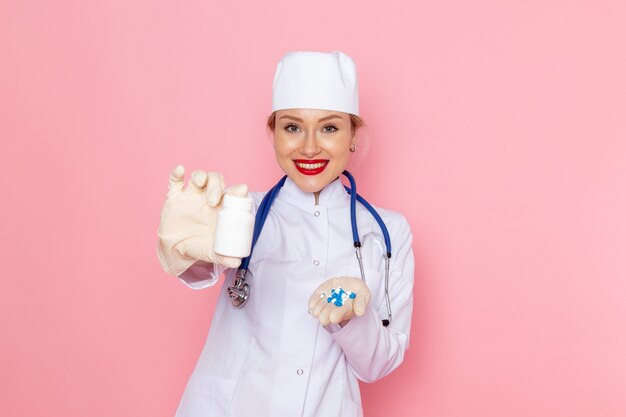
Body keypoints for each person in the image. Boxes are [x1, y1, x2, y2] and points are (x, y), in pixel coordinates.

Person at [157, 50, 415, 417]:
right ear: (273, 133)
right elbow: (197, 267)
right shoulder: (241, 210)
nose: (309, 146)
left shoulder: (387, 232)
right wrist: (178, 250)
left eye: (329, 127)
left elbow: (377, 365)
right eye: (292, 127)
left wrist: (349, 317)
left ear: (353, 135)